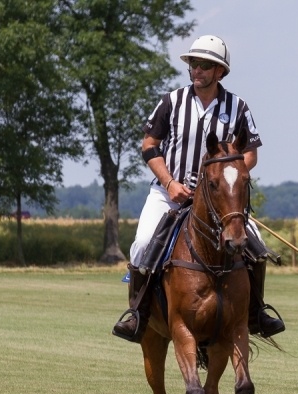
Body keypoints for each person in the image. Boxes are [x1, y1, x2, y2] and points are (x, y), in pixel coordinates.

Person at [112, 34, 284, 343]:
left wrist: (224, 183)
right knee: (141, 245)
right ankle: (138, 314)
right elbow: (150, 146)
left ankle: (257, 313)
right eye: (193, 64)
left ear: (220, 71)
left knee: (256, 250)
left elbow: (250, 155)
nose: (196, 71)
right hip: (170, 193)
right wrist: (169, 182)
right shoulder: (171, 102)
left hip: (218, 201)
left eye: (204, 65)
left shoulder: (238, 107)